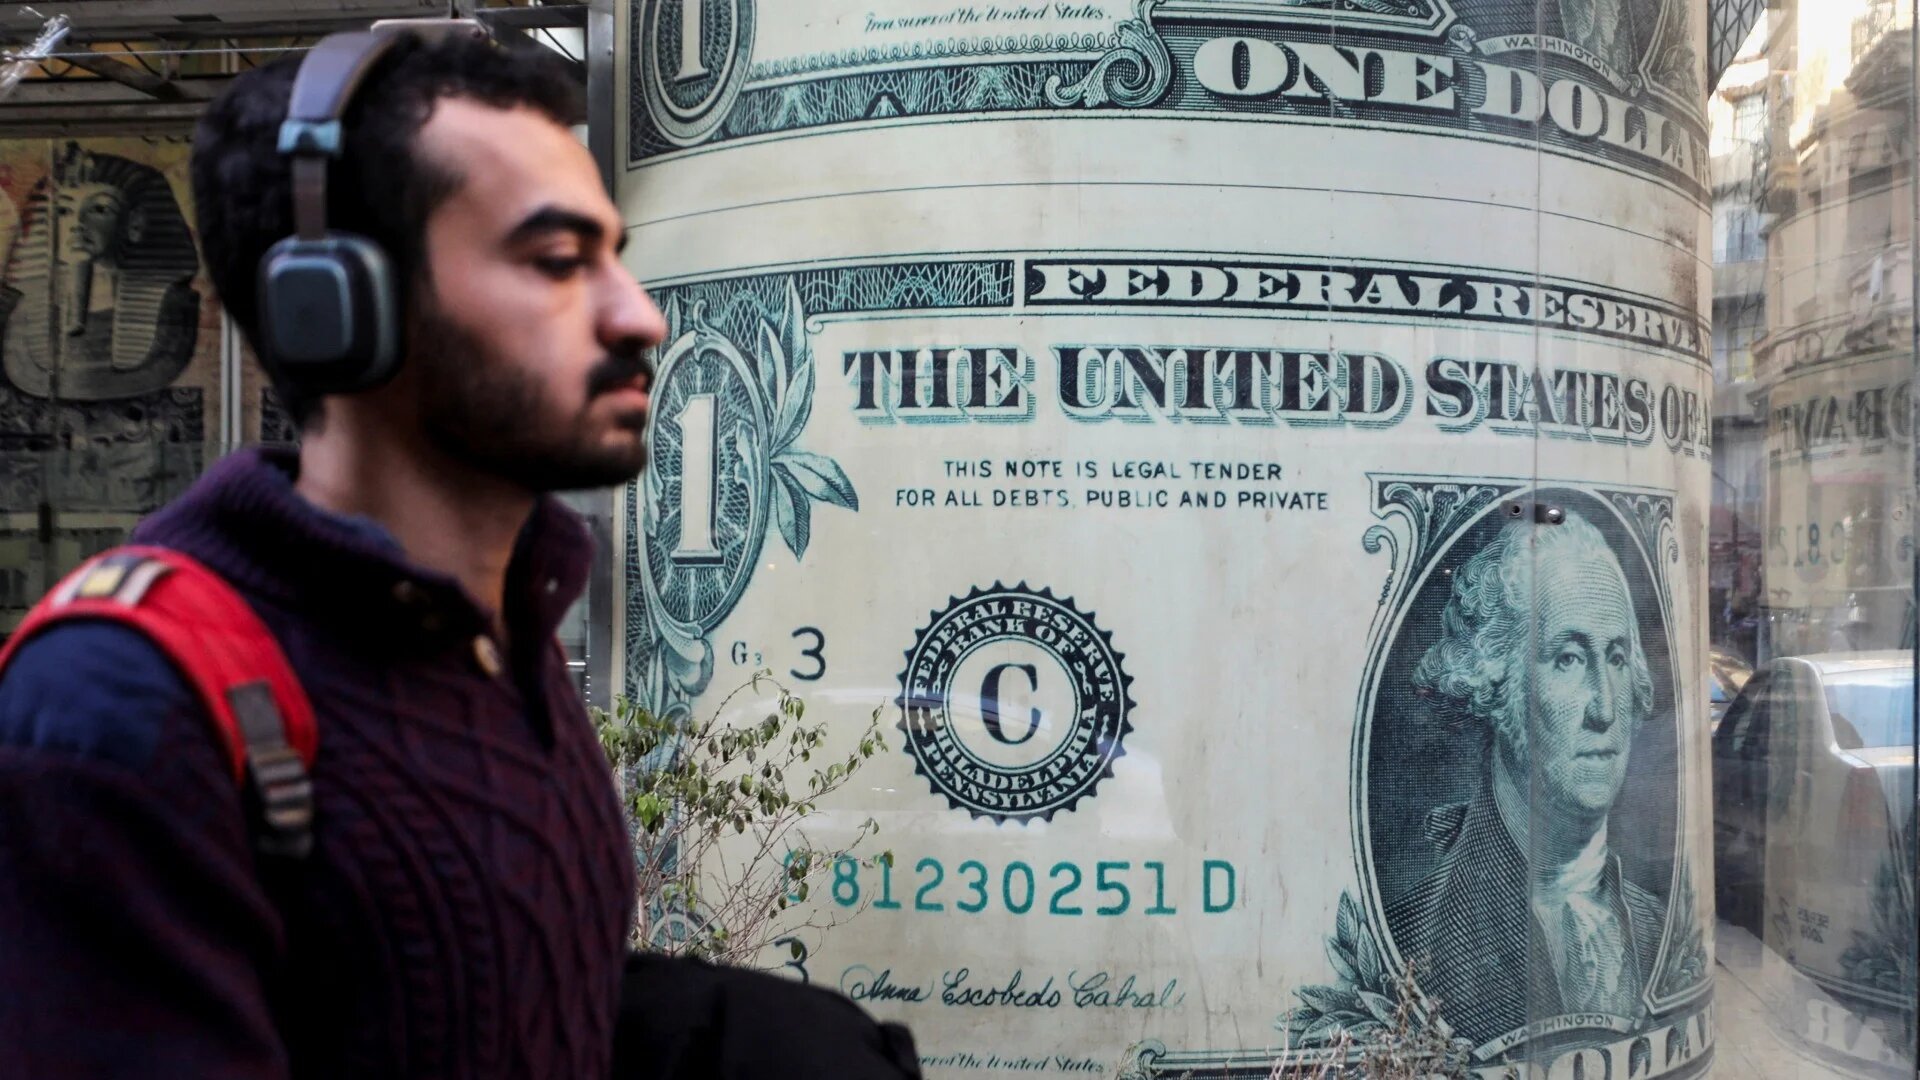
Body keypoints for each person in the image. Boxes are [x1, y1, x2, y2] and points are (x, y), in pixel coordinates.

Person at [1387, 510, 1666, 1045]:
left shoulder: (1655, 929)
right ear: (1495, 680)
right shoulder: (1416, 939)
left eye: (1615, 658)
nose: (1606, 710)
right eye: (1567, 659)